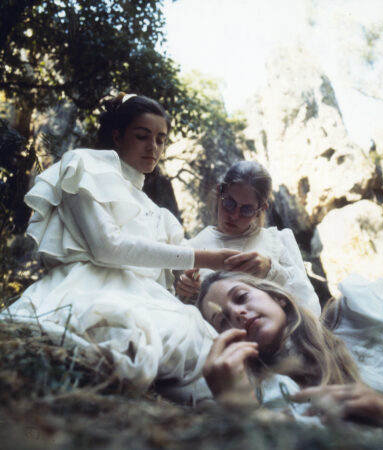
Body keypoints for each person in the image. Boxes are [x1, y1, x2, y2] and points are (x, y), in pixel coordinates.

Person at [4, 94, 239, 393]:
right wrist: (203, 257)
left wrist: (185, 282)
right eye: (142, 136)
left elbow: (169, 279)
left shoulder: (161, 215)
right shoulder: (84, 166)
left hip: (144, 296)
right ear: (117, 136)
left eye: (160, 139)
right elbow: (107, 247)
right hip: (87, 285)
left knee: (205, 351)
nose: (152, 147)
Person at [196, 271, 383, 432]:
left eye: (241, 297)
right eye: (223, 321)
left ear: (278, 298)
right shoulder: (268, 397)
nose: (238, 313)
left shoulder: (359, 311)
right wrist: (243, 412)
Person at [176, 161, 321, 316]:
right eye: (229, 204)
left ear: (261, 209)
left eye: (246, 210)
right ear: (219, 193)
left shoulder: (278, 241)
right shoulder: (192, 249)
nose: (234, 215)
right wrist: (186, 293)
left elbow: (311, 310)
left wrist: (271, 272)